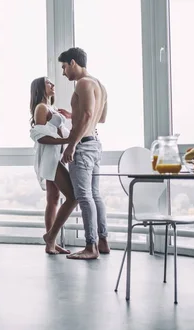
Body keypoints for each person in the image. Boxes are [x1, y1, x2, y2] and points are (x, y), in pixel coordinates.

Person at [58, 47, 109, 260]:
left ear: (72, 63)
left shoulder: (83, 83)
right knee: (94, 195)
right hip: (95, 144)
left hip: (83, 146)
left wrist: (71, 145)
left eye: (63, 67)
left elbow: (88, 114)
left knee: (83, 196)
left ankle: (91, 247)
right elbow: (100, 117)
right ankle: (103, 241)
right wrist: (74, 114)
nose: (63, 72)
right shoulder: (100, 85)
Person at [29, 77, 77, 255]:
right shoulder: (41, 108)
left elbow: (56, 128)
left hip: (55, 156)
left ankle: (51, 243)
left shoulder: (52, 108)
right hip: (50, 158)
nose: (52, 85)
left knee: (53, 199)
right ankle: (51, 236)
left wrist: (69, 116)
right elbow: (40, 136)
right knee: (72, 197)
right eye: (48, 83)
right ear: (40, 88)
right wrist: (67, 140)